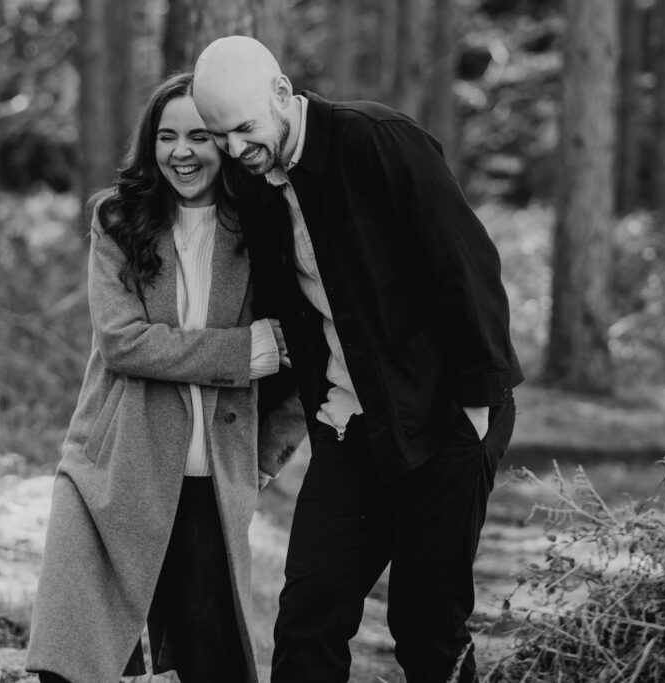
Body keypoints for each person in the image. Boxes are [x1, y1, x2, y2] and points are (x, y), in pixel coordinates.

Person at [192, 37, 524, 683]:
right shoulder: (255, 180)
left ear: (283, 93)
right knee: (308, 617)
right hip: (350, 426)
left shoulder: (377, 140)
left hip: (445, 417)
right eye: (219, 134)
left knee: (427, 628)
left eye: (244, 127)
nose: (233, 148)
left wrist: (476, 410)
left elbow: (466, 268)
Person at [25, 72, 300, 683]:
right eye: (167, 136)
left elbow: (298, 356)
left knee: (211, 657)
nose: (181, 152)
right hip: (112, 464)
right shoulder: (119, 220)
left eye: (199, 136)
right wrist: (240, 352)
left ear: (225, 143)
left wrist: (258, 464)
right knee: (72, 657)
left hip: (210, 475)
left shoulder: (262, 227)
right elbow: (123, 342)